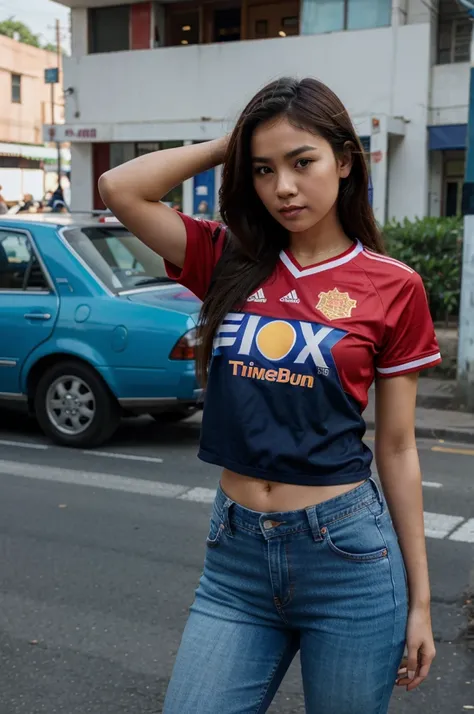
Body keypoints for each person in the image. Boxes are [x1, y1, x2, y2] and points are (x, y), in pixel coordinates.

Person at [98, 77, 440, 714]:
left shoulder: (394, 286)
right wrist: (237, 139)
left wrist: (421, 603)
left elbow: (396, 449)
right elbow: (120, 189)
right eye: (262, 169)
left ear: (344, 161)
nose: (283, 186)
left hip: (349, 558)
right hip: (237, 558)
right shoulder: (228, 257)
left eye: (301, 161)